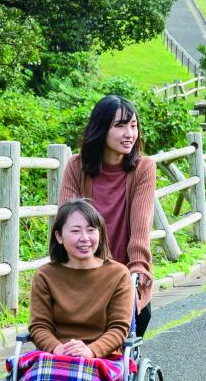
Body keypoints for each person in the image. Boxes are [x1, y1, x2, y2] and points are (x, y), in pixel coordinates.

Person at [4, 198, 135, 381]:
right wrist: (59, 348)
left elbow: (119, 329)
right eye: (75, 231)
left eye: (91, 230)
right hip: (55, 355)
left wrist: (90, 351)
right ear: (59, 237)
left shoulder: (117, 275)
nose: (84, 238)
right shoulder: (46, 275)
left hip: (102, 356)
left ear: (100, 234)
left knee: (86, 378)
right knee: (39, 377)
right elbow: (39, 327)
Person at [59, 93, 158, 337]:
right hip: (82, 271)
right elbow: (67, 221)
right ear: (101, 129)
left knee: (130, 326)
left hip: (125, 273)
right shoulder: (76, 166)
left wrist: (138, 267)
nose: (129, 134)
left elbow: (140, 226)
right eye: (120, 126)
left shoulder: (144, 168)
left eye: (133, 126)